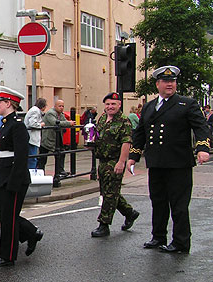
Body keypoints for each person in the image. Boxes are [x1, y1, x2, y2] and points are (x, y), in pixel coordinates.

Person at [127, 66, 210, 254]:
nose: (169, 84)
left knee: (179, 205)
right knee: (158, 201)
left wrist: (202, 148)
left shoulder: (186, 104)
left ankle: (181, 242)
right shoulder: (149, 106)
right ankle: (158, 236)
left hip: (178, 163)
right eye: (165, 81)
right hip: (156, 162)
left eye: (172, 81)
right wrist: (133, 156)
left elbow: (201, 127)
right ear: (158, 84)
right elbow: (140, 133)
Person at [0, 86, 43, 267]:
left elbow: (21, 156)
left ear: (8, 103)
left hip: (13, 178)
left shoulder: (17, 125)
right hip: (3, 176)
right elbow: (0, 153)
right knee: (0, 213)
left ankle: (7, 256)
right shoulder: (6, 124)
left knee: (9, 218)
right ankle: (31, 233)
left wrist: (14, 183)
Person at [90, 92, 140, 237]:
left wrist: (121, 162)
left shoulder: (124, 121)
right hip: (103, 160)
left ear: (119, 105)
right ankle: (130, 213)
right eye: (108, 104)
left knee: (110, 194)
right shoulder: (102, 118)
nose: (110, 107)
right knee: (107, 191)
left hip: (115, 160)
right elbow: (98, 136)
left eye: (113, 104)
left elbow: (126, 142)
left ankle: (104, 225)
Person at [37, 100, 75, 174]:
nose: (61, 108)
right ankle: (40, 172)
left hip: (57, 139)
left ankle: (60, 171)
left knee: (61, 153)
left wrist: (69, 123)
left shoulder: (61, 114)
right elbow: (55, 123)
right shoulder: (50, 113)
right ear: (55, 106)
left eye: (62, 106)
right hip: (47, 139)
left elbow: (64, 121)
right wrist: (69, 123)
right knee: (43, 157)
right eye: (59, 106)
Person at [24, 98, 47, 169]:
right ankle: (31, 173)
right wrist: (41, 125)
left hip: (31, 138)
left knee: (31, 158)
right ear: (43, 106)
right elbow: (32, 123)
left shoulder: (34, 110)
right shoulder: (35, 111)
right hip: (32, 139)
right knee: (32, 158)